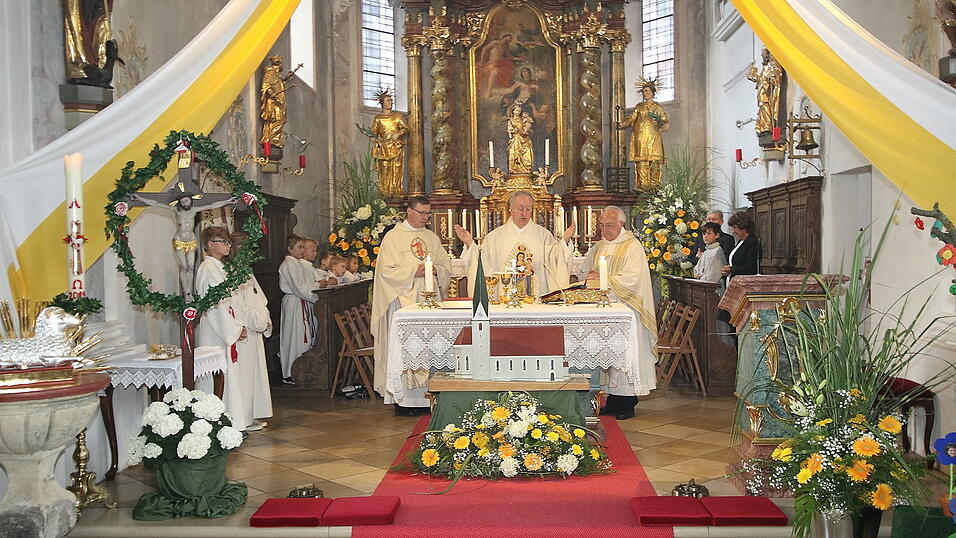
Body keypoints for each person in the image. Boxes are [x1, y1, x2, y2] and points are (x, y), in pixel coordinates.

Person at [371, 196, 452, 415]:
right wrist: (411, 273)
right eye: (422, 213)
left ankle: (431, 395)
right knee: (407, 351)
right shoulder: (393, 237)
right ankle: (405, 400)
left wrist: (437, 270)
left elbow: (446, 265)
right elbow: (385, 272)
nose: (426, 218)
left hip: (430, 302)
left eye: (428, 214)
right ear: (409, 211)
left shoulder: (431, 237)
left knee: (430, 348)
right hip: (403, 303)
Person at [577, 206, 658, 420]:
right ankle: (613, 400)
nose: (604, 229)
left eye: (609, 225)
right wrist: (590, 275)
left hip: (627, 309)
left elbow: (633, 278)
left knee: (627, 354)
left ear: (621, 224)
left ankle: (628, 403)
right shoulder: (599, 246)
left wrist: (605, 280)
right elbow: (584, 271)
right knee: (608, 355)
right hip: (603, 310)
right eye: (601, 225)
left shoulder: (632, 246)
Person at [455, 191, 575, 297]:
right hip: (504, 298)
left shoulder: (543, 235)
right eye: (520, 208)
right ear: (510, 209)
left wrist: (565, 240)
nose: (524, 213)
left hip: (536, 298)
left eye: (528, 209)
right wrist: (470, 243)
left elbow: (556, 260)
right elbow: (482, 262)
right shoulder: (495, 237)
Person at [194, 227, 248, 431]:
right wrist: (234, 329)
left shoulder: (219, 267)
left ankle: (230, 424)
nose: (228, 245)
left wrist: (237, 324)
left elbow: (229, 301)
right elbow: (215, 305)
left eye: (228, 242)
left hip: (225, 325)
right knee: (217, 374)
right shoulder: (208, 268)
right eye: (223, 241)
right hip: (216, 330)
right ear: (209, 244)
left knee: (228, 376)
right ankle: (217, 425)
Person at [229, 231, 273, 431]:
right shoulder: (234, 273)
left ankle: (250, 414)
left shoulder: (245, 271)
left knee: (253, 377)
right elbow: (242, 306)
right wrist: (258, 322)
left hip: (253, 331)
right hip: (245, 333)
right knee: (245, 378)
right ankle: (243, 418)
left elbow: (258, 300)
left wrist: (265, 320)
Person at [278, 234, 316, 386]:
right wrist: (316, 293)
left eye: (303, 247)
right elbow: (300, 288)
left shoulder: (297, 264)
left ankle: (301, 370)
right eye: (299, 247)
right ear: (289, 249)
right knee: (293, 338)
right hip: (294, 303)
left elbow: (306, 284)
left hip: (300, 302)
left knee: (301, 337)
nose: (302, 250)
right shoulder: (288, 265)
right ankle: (289, 372)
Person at [619, 77, 669, 188]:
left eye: (646, 91)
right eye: (643, 91)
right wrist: (622, 124)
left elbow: (664, 119)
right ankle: (642, 188)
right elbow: (632, 119)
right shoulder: (639, 107)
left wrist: (665, 124)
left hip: (653, 139)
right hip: (640, 139)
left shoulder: (658, 107)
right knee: (641, 164)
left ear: (652, 92)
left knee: (654, 163)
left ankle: (655, 188)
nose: (644, 93)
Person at [370, 90, 408, 198]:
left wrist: (398, 134)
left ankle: (396, 190)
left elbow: (406, 128)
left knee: (396, 168)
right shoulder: (378, 118)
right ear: (382, 103)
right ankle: (384, 191)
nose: (391, 102)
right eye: (388, 100)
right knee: (384, 169)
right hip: (383, 148)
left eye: (391, 100)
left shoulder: (397, 116)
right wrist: (374, 139)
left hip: (396, 146)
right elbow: (373, 132)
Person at [747, 48, 783, 134]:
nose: (761, 55)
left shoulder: (772, 65)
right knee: (763, 107)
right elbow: (761, 78)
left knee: (766, 107)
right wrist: (753, 77)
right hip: (762, 91)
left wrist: (772, 77)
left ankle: (767, 125)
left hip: (767, 92)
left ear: (768, 54)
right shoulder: (765, 67)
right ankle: (763, 125)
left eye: (762, 53)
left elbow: (776, 77)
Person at [721, 211, 762, 281]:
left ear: (744, 226)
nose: (733, 231)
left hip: (746, 283)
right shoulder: (741, 241)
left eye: (735, 227)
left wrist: (731, 269)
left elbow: (750, 268)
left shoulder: (752, 242)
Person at [693, 222, 729, 291]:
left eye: (709, 234)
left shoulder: (717, 251)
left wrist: (700, 277)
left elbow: (713, 276)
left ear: (717, 235)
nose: (705, 236)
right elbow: (696, 270)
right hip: (704, 286)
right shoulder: (706, 251)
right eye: (704, 234)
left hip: (714, 289)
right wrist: (698, 276)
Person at [506, 104, 534, 174]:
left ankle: (526, 168)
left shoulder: (524, 119)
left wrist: (524, 129)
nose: (518, 111)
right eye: (516, 110)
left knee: (526, 151)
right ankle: (513, 168)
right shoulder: (510, 120)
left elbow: (527, 127)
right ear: (513, 111)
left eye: (519, 110)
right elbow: (509, 129)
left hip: (524, 138)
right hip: (515, 138)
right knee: (514, 152)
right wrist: (512, 131)